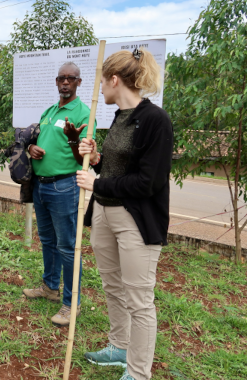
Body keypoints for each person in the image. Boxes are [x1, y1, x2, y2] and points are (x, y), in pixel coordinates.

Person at [77, 48, 172, 380]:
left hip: (135, 220)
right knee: (113, 286)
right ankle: (119, 346)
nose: (101, 88)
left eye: (102, 82)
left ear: (114, 80)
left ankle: (138, 373)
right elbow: (120, 168)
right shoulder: (120, 116)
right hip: (104, 214)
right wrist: (97, 160)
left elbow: (148, 182)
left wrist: (96, 183)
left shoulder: (156, 120)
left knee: (139, 299)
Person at [22, 62, 95, 327]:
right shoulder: (50, 111)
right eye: (61, 78)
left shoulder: (84, 114)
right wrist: (31, 148)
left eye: (70, 78)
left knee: (68, 246)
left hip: (65, 187)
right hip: (41, 186)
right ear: (56, 81)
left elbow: (84, 158)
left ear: (78, 82)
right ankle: (50, 287)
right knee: (48, 240)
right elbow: (37, 140)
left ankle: (71, 303)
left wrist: (74, 139)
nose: (65, 82)